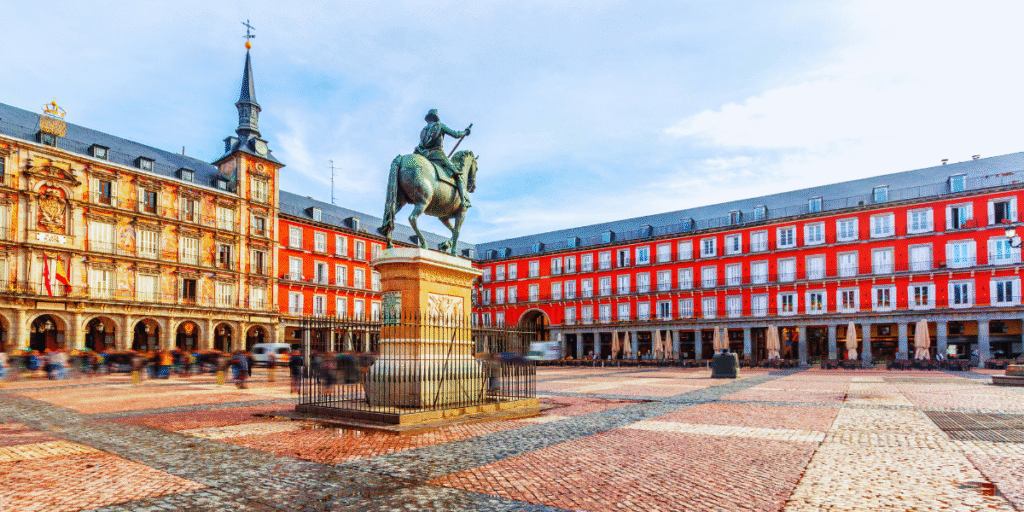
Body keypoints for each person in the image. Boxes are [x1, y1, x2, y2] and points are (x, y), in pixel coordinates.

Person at [415, 109, 473, 208]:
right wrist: (465, 132)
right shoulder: (440, 126)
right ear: (435, 118)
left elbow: (422, 145)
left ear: (428, 119)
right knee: (458, 175)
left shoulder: (423, 131)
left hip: (424, 156)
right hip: (437, 155)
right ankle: (464, 201)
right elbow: (456, 135)